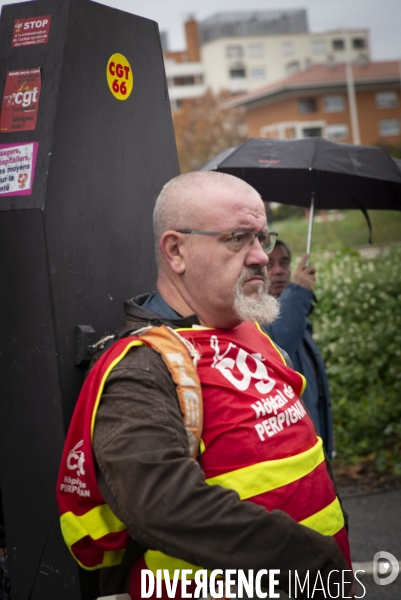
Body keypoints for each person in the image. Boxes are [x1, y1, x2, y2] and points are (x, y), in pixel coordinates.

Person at [57, 172, 353, 599]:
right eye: (237, 238)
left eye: (262, 239)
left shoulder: (249, 331)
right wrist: (313, 562)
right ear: (176, 251)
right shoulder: (142, 365)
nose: (260, 258)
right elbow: (161, 504)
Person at [262, 241, 333, 457]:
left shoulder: (297, 312)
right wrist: (297, 292)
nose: (278, 271)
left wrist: (327, 430)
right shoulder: (255, 317)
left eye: (284, 263)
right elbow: (280, 347)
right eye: (269, 263)